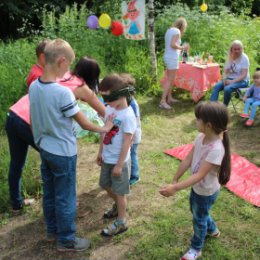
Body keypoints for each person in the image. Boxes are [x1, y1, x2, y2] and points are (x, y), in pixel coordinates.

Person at [29, 39, 114, 252]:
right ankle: (67, 239)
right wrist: (105, 128)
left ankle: (52, 231)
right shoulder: (62, 92)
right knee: (65, 196)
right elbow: (83, 122)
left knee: (50, 192)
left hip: (45, 149)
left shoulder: (34, 86)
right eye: (68, 65)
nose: (69, 71)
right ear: (61, 60)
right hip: (63, 152)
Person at [6, 54, 106, 212]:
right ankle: (67, 203)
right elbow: (104, 111)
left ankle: (16, 203)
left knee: (17, 163)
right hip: (29, 121)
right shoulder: (82, 87)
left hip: (14, 114)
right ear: (93, 77)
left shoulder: (64, 75)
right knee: (60, 161)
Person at [159, 101, 231, 260]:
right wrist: (175, 179)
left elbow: (199, 175)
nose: (195, 121)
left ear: (209, 125)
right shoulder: (200, 137)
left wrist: (175, 188)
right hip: (198, 189)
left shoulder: (217, 149)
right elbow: (187, 159)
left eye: (197, 119)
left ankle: (196, 248)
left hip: (206, 192)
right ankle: (212, 230)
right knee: (199, 212)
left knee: (199, 219)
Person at [97, 73, 137, 236]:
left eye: (108, 98)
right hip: (107, 157)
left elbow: (128, 142)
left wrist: (119, 165)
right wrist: (100, 151)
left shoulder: (128, 116)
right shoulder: (109, 109)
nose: (105, 102)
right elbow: (104, 132)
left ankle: (121, 221)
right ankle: (118, 205)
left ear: (121, 95)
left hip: (120, 161)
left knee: (120, 192)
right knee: (105, 184)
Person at [160, 17, 188, 110]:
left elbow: (170, 45)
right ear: (183, 26)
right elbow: (173, 44)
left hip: (168, 56)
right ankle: (163, 101)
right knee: (170, 79)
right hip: (172, 57)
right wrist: (183, 48)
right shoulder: (177, 32)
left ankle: (169, 98)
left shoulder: (169, 30)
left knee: (169, 79)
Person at [210, 40, 250, 106]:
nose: (237, 51)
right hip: (229, 79)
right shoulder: (230, 57)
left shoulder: (244, 58)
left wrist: (232, 82)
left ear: (242, 49)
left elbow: (244, 75)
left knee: (227, 89)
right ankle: (211, 107)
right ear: (231, 49)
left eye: (239, 49)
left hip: (242, 81)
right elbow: (225, 71)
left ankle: (224, 108)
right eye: (235, 49)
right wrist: (225, 79)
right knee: (216, 86)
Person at [120, 73, 142, 185]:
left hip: (133, 135)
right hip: (128, 133)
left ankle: (134, 176)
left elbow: (135, 122)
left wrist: (132, 137)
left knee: (132, 154)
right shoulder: (125, 101)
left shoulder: (132, 104)